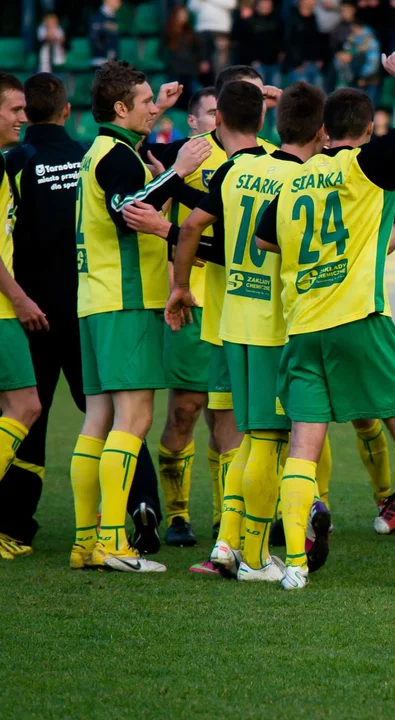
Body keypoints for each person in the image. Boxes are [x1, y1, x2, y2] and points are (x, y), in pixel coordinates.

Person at [251, 53, 395, 588]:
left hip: (304, 326)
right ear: (369, 130)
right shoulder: (367, 163)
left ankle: (293, 565)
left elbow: (265, 239)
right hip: (358, 318)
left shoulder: (293, 180)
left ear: (322, 132)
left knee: (302, 446)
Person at [0, 72, 165, 559]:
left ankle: (16, 526)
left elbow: (13, 229)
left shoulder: (21, 162)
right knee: (126, 417)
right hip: (99, 303)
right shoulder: (89, 156)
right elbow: (127, 209)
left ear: (30, 113)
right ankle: (137, 510)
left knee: (43, 417)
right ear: (67, 111)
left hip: (37, 306)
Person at [171, 80, 326, 584]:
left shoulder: (237, 170)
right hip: (274, 328)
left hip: (230, 320)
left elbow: (192, 227)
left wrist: (180, 287)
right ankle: (256, 559)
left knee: (241, 441)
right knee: (267, 443)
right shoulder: (301, 180)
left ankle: (226, 544)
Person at [124, 64, 278, 568]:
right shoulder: (179, 157)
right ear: (197, 120)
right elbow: (137, 180)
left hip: (239, 306)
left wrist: (168, 231)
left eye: (223, 110)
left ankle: (225, 524)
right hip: (192, 309)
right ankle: (177, 515)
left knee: (230, 419)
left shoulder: (269, 159)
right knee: (185, 411)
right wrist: (159, 114)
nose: (216, 119)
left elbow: (204, 232)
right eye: (208, 111)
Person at [71, 60, 211, 573]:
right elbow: (127, 211)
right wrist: (177, 172)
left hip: (94, 301)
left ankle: (87, 541)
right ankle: (111, 541)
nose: (156, 107)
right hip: (125, 302)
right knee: (135, 420)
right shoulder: (121, 158)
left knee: (98, 422)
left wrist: (159, 129)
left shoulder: (101, 151)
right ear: (120, 108)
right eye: (147, 101)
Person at [0, 74, 42, 561]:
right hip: (0, 309)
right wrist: (19, 298)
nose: (23, 118)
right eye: (13, 109)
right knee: (26, 407)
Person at [161, 5, 201, 109]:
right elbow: (162, 51)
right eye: (181, 15)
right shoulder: (168, 32)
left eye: (185, 15)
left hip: (190, 70)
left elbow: (197, 50)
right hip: (175, 70)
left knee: (192, 96)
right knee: (174, 97)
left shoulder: (191, 33)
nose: (183, 17)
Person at [188, 0, 236, 79]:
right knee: (204, 64)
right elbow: (191, 8)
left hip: (221, 28)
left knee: (222, 62)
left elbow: (231, 4)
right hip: (202, 28)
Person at [284, 0, 326, 88]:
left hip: (314, 64)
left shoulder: (314, 17)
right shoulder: (292, 17)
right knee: (301, 96)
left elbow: (317, 40)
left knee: (320, 94)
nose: (313, 1)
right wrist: (296, 63)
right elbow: (288, 42)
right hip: (298, 66)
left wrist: (319, 57)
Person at [89, 0, 121, 68]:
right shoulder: (97, 17)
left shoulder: (113, 17)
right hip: (100, 61)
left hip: (112, 62)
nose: (118, 2)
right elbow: (94, 39)